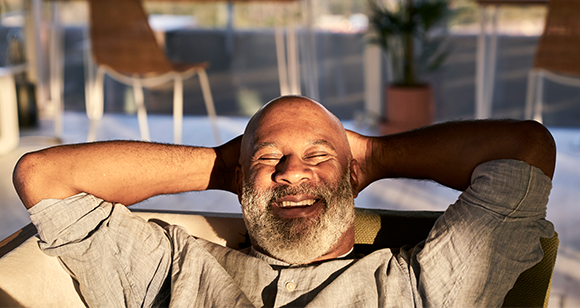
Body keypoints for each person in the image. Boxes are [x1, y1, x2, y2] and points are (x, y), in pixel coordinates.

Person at [13, 95, 556, 307]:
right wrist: (222, 165)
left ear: (353, 175)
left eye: (319, 156)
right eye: (269, 158)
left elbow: (525, 148)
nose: (292, 171)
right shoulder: (173, 272)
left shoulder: (419, 288)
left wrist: (372, 156)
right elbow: (45, 175)